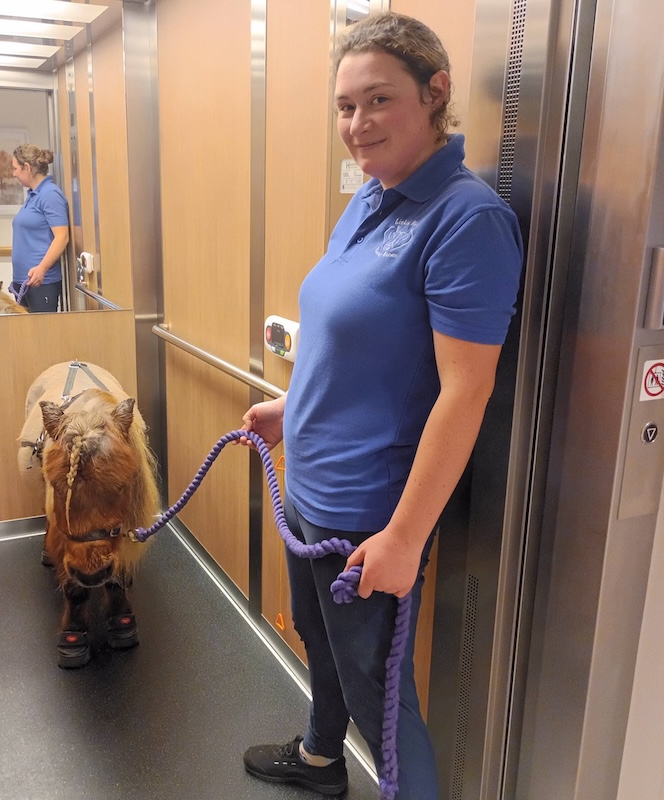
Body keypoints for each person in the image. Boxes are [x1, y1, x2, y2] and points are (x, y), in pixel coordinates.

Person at [240, 12, 522, 800]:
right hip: (310, 487)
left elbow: (466, 391)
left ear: (435, 94)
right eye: (344, 106)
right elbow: (345, 338)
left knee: (383, 706)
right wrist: (289, 408)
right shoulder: (372, 198)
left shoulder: (467, 220)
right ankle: (322, 761)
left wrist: (403, 535)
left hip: (369, 514)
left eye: (378, 101)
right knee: (319, 648)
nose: (357, 125)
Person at [10, 144, 69, 313]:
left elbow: (62, 236)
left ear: (27, 168)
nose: (14, 173)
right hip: (24, 281)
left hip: (41, 282)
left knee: (43, 337)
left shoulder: (50, 194)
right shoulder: (33, 194)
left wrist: (42, 268)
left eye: (15, 168)